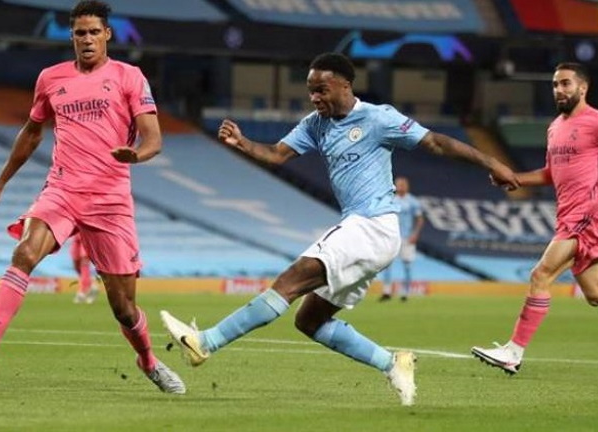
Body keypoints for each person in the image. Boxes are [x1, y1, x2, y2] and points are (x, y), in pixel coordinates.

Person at [160, 52, 520, 406]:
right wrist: (243, 143)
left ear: (345, 85)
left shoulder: (379, 119)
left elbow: (436, 142)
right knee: (310, 320)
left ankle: (205, 342)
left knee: (290, 280)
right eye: (311, 90)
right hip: (365, 232)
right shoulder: (315, 124)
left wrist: (491, 162)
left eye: (322, 89)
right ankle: (392, 363)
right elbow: (276, 154)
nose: (315, 97)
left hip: (372, 226)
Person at [0, 0, 185, 394]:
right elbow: (32, 132)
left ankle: (148, 361)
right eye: (80, 33)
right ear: (71, 37)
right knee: (24, 253)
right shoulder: (51, 78)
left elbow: (154, 138)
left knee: (123, 309)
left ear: (108, 34)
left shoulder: (129, 77)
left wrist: (136, 155)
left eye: (94, 32)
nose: (87, 39)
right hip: (62, 189)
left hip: (110, 199)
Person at [471, 63, 598, 375]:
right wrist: (515, 178)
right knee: (597, 294)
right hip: (567, 215)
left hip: (586, 214)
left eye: (566, 84)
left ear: (582, 88)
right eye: (556, 84)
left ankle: (513, 351)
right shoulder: (555, 126)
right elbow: (549, 174)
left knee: (540, 275)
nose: (559, 90)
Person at [378, 176, 424, 302]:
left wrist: (415, 234)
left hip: (407, 237)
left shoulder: (413, 201)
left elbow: (420, 219)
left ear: (407, 186)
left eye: (403, 185)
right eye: (399, 184)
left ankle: (406, 293)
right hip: (392, 237)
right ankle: (386, 291)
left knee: (407, 265)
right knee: (386, 264)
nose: (401, 187)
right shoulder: (390, 200)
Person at [70, 233, 101, 304]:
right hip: (76, 236)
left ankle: (82, 291)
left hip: (87, 236)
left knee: (84, 262)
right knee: (76, 265)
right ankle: (91, 286)